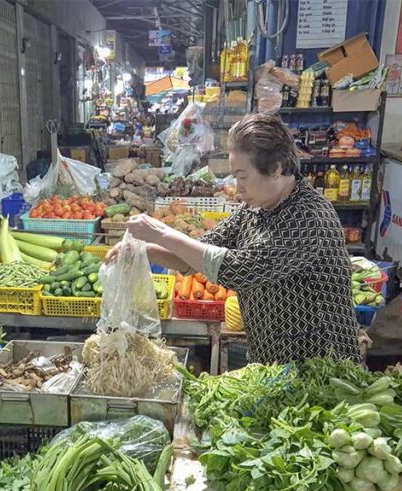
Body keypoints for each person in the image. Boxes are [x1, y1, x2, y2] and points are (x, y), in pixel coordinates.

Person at [115, 113, 361, 364]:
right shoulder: (256, 207)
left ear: (275, 168)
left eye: (242, 176)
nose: (237, 186)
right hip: (274, 363)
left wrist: (161, 233)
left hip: (322, 366)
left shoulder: (309, 217)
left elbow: (237, 270)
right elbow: (200, 254)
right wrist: (146, 250)